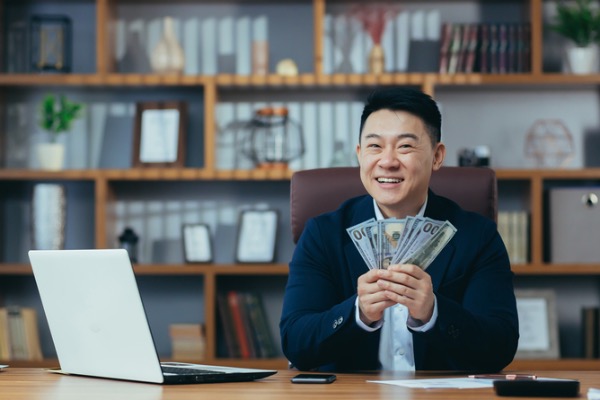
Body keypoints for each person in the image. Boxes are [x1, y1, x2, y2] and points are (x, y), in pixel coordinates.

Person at [279, 87, 519, 372]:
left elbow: (500, 345)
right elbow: (295, 341)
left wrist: (433, 312)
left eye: (405, 146)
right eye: (374, 146)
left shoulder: (477, 236)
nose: (388, 161)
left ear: (437, 156)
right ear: (359, 155)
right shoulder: (322, 234)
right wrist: (358, 313)